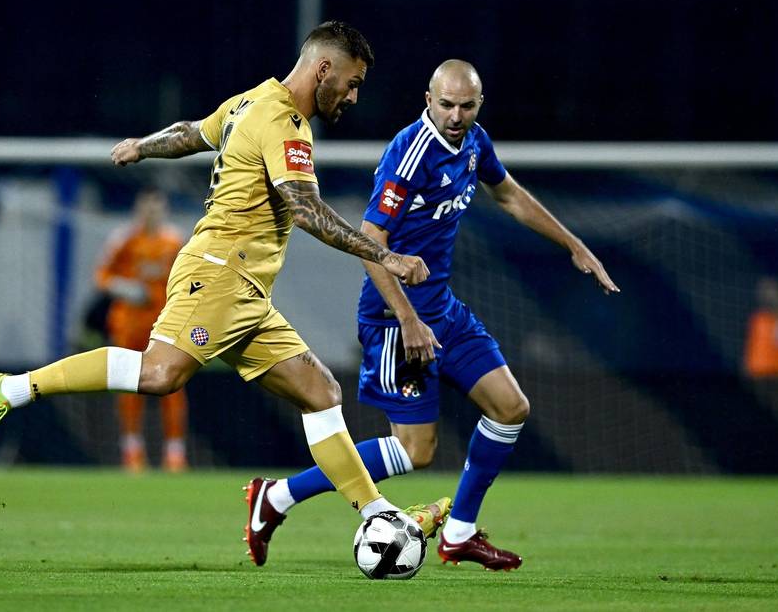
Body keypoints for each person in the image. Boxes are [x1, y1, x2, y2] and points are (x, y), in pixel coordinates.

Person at [0, 21, 442, 566]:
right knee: (160, 374)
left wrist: (142, 146)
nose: (353, 96)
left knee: (320, 391)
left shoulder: (249, 101)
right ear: (324, 68)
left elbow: (190, 133)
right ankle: (11, 389)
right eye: (352, 83)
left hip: (247, 292)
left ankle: (376, 512)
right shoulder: (283, 123)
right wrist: (386, 256)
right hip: (220, 272)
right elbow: (305, 209)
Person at [248, 60, 620, 571]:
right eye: (446, 104)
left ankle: (459, 533)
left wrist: (573, 244)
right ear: (428, 100)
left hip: (443, 309)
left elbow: (508, 194)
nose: (456, 115)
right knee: (416, 451)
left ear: (479, 105)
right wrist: (407, 319)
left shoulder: (474, 142)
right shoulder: (410, 154)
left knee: (510, 408)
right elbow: (370, 241)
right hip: (393, 318)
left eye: (466, 106)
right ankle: (278, 496)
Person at [94, 188, 189, 472]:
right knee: (129, 386)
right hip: (128, 323)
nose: (151, 213)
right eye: (147, 207)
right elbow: (101, 276)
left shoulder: (174, 241)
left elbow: (187, 276)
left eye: (156, 207)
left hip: (164, 323)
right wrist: (125, 288)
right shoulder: (123, 239)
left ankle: (175, 453)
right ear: (138, 209)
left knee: (172, 385)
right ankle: (132, 450)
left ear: (164, 210)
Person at [743, 276, 778, 378]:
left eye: (776, 290)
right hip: (764, 372)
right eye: (767, 291)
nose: (772, 295)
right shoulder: (759, 319)